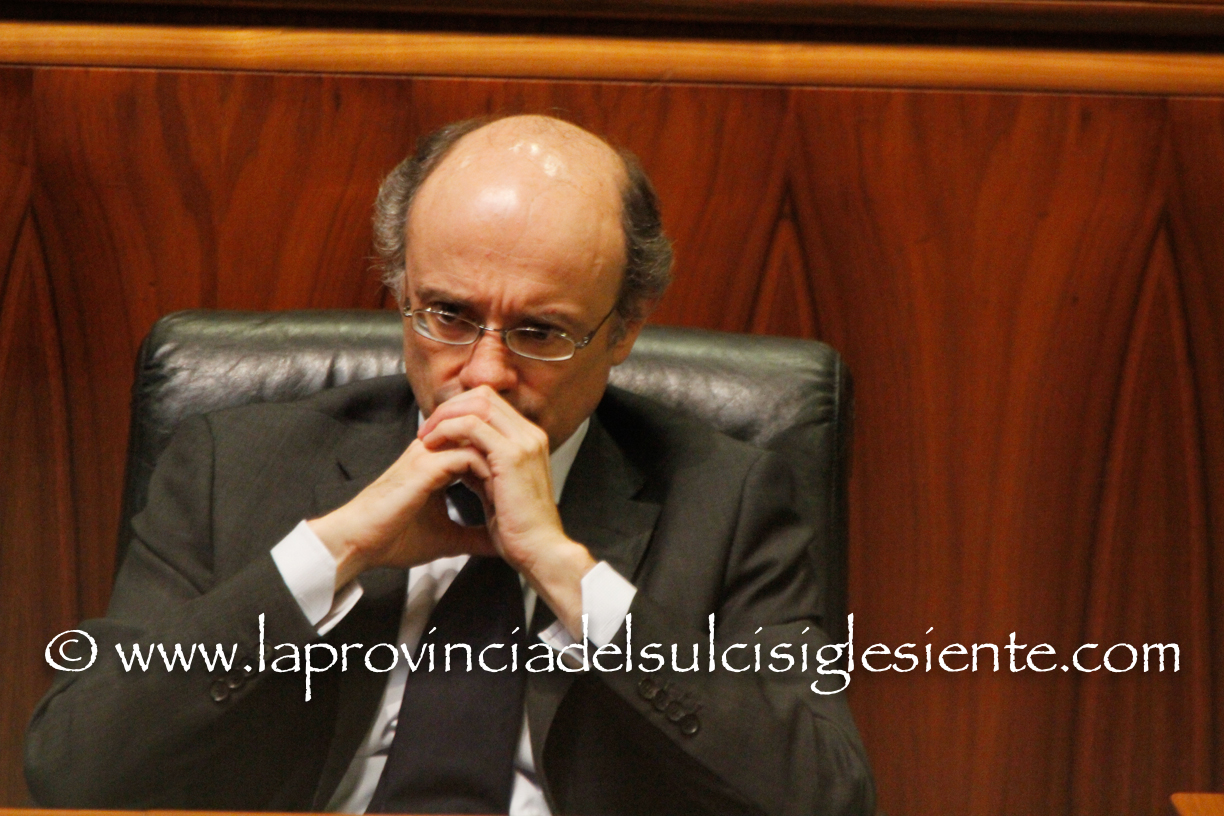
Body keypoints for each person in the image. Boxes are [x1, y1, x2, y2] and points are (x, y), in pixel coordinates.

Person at [25, 115, 875, 815]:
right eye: (449, 316)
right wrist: (333, 552)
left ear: (623, 331)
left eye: (540, 331)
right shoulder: (233, 464)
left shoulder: (727, 497)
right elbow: (73, 767)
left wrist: (567, 573)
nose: (485, 373)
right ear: (402, 294)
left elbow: (824, 795)